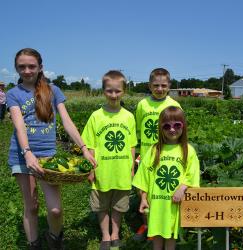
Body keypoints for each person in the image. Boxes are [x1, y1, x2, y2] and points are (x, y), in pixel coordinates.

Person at [6, 48, 97, 250]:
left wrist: (83, 148)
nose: (27, 70)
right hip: (22, 155)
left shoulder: (53, 90)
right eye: (22, 67)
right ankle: (34, 244)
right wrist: (27, 153)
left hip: (48, 155)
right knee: (32, 206)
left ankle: (55, 240)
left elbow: (67, 122)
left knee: (55, 210)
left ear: (40, 67)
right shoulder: (13, 94)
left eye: (32, 66)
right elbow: (19, 126)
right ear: (16, 68)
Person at [81, 70, 137, 250]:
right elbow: (90, 145)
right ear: (103, 91)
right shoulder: (96, 116)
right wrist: (91, 168)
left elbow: (131, 145)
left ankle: (115, 234)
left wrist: (131, 168)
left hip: (121, 171)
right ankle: (105, 235)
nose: (113, 95)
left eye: (117, 91)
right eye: (109, 91)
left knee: (119, 206)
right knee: (102, 206)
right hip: (102, 170)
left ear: (124, 91)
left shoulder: (128, 117)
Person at [132, 106, 200, 250]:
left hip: (173, 205)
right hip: (156, 203)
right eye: (166, 126)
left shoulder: (188, 150)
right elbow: (144, 177)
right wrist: (143, 198)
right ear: (160, 128)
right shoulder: (154, 150)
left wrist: (182, 187)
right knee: (156, 234)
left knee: (170, 236)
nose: (172, 129)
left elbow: (192, 174)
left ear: (183, 126)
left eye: (177, 125)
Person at [134, 68, 181, 239]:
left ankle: (164, 226)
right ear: (149, 85)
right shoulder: (142, 105)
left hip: (167, 156)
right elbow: (139, 128)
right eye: (156, 85)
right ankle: (146, 225)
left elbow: (179, 129)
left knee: (162, 192)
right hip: (147, 155)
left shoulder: (174, 105)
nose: (159, 89)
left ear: (169, 86)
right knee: (143, 191)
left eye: (163, 85)